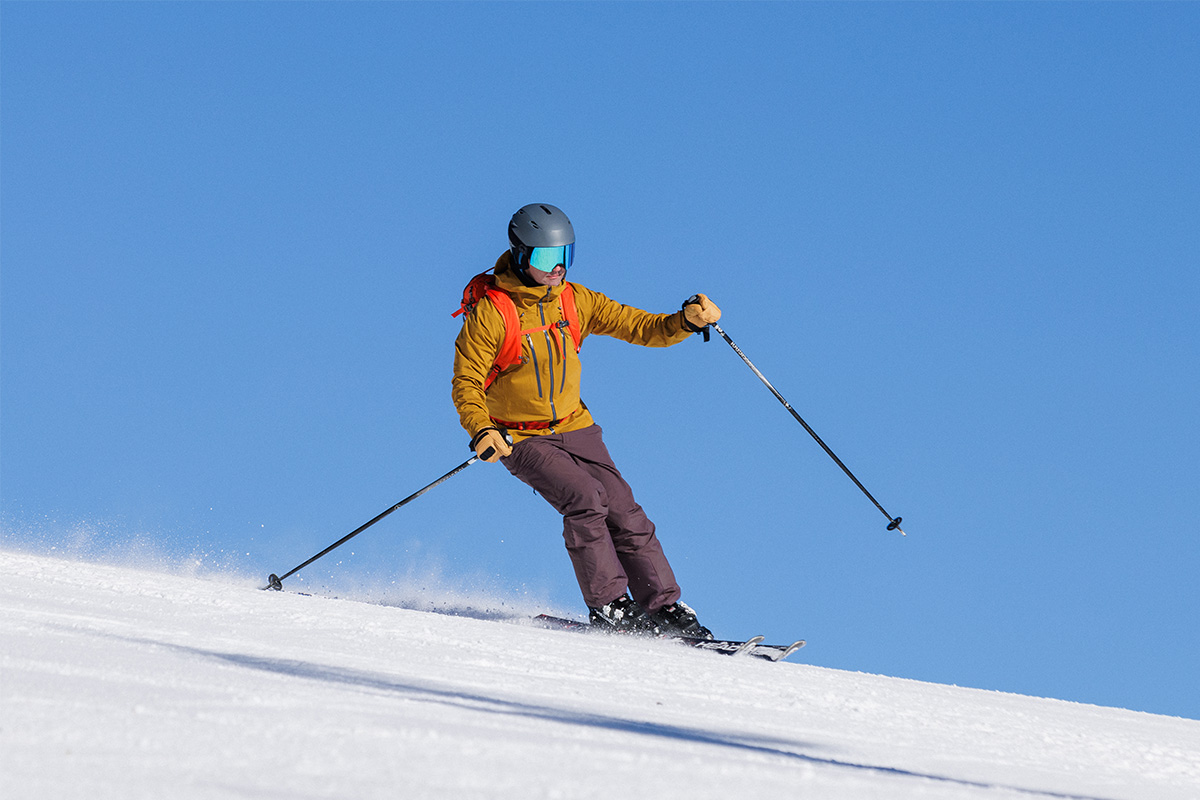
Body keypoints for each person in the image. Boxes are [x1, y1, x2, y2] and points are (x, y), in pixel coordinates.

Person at [451, 203, 721, 638]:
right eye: (544, 258)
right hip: (520, 437)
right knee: (584, 498)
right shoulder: (492, 313)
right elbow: (467, 381)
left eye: (565, 257)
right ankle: (609, 605)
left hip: (577, 427)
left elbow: (640, 326)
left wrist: (683, 322)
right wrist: (482, 429)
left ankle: (664, 606)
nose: (556, 269)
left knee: (625, 511)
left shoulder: (575, 301)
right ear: (520, 254)